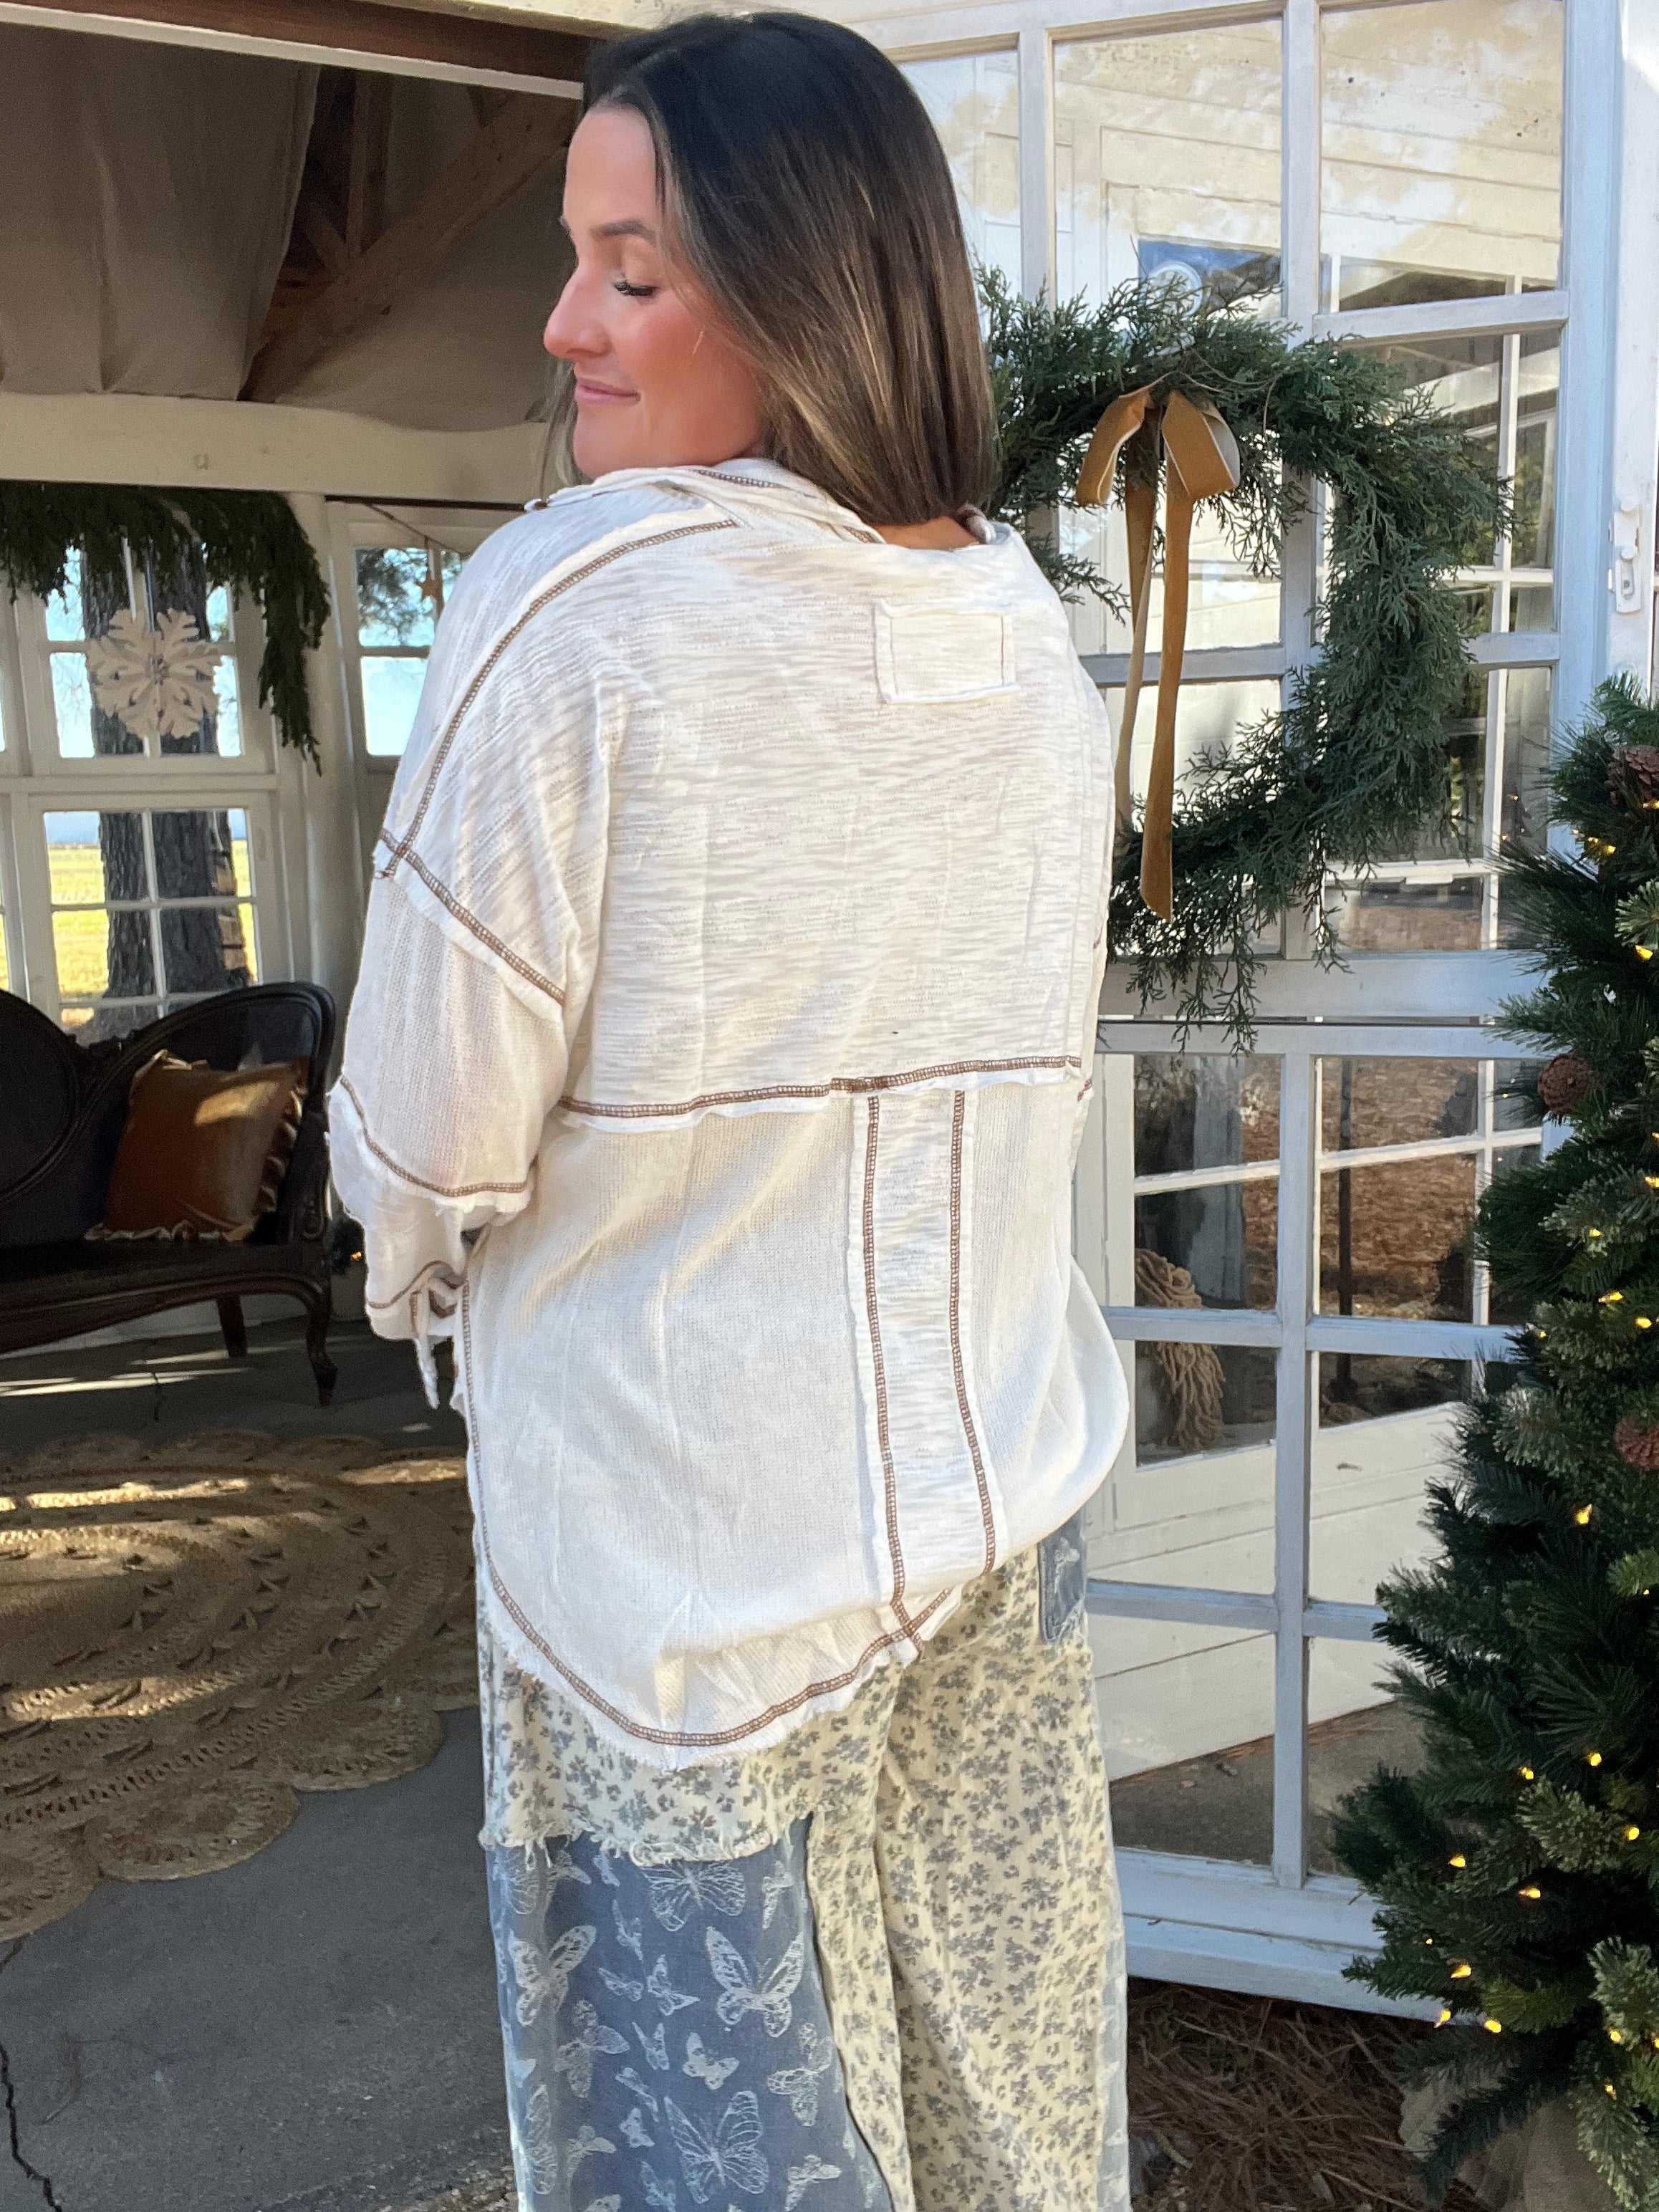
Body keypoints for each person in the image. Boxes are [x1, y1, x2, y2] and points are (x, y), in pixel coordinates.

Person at [332, 15, 1129, 2210]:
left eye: (632, 270)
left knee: (725, 2155)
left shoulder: (569, 609)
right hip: (997, 1498)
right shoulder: (1018, 627)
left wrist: (412, 1269)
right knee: (1002, 2101)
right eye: (576, 261)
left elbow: (424, 1142)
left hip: (678, 1556)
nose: (564, 324)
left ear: (808, 290)